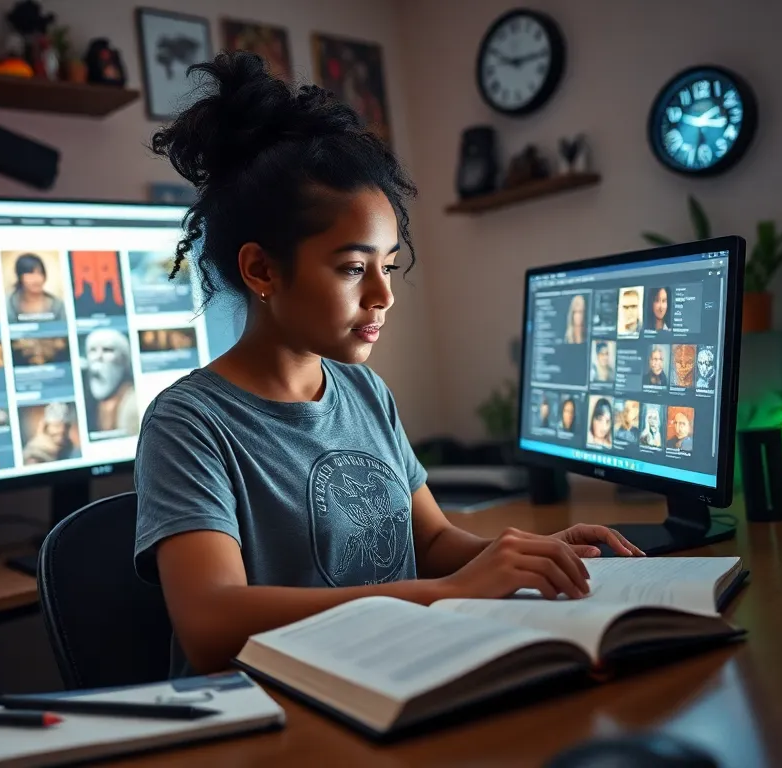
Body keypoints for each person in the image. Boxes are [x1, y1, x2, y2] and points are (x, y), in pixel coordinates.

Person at [134, 52, 643, 678]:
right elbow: (210, 625)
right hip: (278, 715)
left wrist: (521, 555)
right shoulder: (189, 423)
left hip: (395, 676)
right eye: (353, 269)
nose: (384, 294)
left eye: (388, 264)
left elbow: (428, 543)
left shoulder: (364, 391)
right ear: (261, 270)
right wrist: (446, 595)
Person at [83, 328, 138, 434]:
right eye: (93, 350)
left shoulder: (134, 403)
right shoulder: (90, 403)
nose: (98, 357)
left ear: (123, 359)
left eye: (107, 350)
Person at [8, 253, 66, 322]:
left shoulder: (57, 305)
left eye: (39, 273)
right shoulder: (9, 305)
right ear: (20, 277)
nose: (36, 279)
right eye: (30, 273)